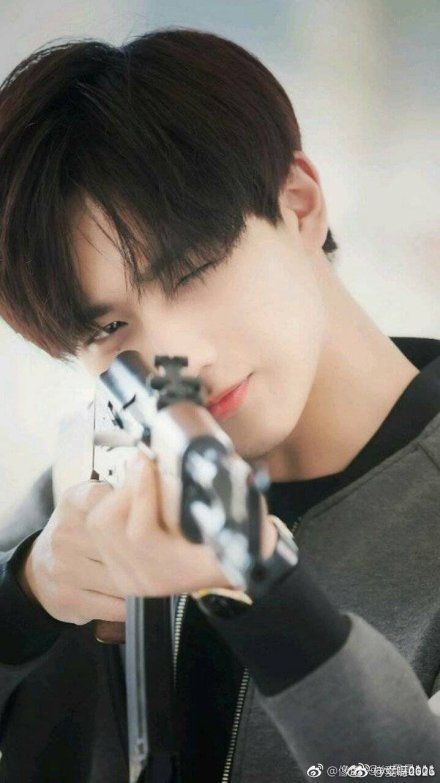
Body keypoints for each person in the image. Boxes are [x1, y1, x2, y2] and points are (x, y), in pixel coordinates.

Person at [0, 27, 439, 783]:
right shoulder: (97, 473)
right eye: (107, 328)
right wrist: (29, 596)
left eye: (194, 269)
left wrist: (264, 591)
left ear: (298, 204)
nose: (177, 357)